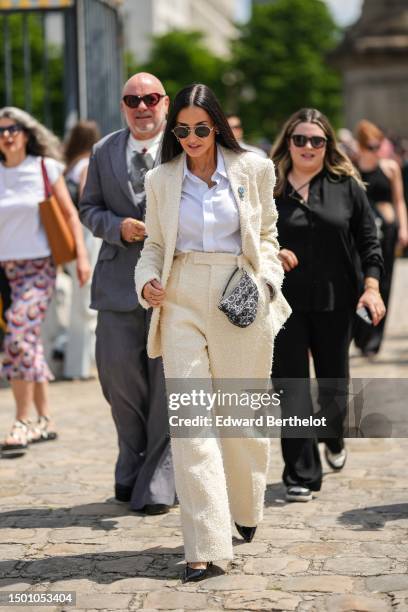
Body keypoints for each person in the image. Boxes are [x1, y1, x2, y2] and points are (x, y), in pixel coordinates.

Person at [135, 83, 291, 582]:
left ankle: (245, 508)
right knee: (191, 422)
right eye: (182, 129)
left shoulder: (254, 168)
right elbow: (154, 246)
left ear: (217, 125)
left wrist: (266, 283)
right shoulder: (161, 179)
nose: (192, 137)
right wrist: (147, 282)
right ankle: (205, 543)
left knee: (242, 418)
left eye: (201, 128)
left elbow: (267, 236)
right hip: (179, 296)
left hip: (239, 293)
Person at [270, 108, 385, 502]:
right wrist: (272, 250)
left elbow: (369, 241)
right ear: (288, 142)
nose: (307, 147)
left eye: (316, 141)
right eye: (299, 139)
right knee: (292, 387)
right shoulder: (268, 186)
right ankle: (301, 472)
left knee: (335, 384)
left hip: (337, 301)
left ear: (327, 146)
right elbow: (247, 235)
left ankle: (333, 437)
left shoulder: (345, 185)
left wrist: (372, 287)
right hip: (282, 304)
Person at [79, 72, 176, 514]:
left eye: (151, 98)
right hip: (117, 286)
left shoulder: (183, 149)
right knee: (119, 379)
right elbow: (88, 209)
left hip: (172, 288)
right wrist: (115, 227)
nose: (142, 106)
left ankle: (157, 479)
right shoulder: (103, 151)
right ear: (122, 106)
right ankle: (131, 459)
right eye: (133, 99)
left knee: (166, 385)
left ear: (165, 104)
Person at [0, 106, 91, 458]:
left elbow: (70, 214)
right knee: (28, 342)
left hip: (37, 267)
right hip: (4, 272)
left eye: (13, 129)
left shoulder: (44, 167)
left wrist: (81, 258)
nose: (7, 135)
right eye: (2, 130)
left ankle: (21, 421)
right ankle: (45, 419)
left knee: (19, 334)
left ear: (26, 134)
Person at [354, 120, 408, 356]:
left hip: (386, 233)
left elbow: (399, 201)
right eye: (370, 146)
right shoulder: (352, 169)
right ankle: (361, 332)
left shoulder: (390, 168)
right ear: (361, 146)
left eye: (378, 145)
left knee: (383, 283)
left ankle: (374, 338)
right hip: (360, 234)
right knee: (359, 282)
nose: (375, 151)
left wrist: (404, 228)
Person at [62, 120, 102, 379]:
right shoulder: (87, 165)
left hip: (70, 239)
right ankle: (83, 365)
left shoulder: (69, 168)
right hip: (86, 237)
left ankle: (77, 363)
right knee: (86, 305)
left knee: (80, 304)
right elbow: (89, 204)